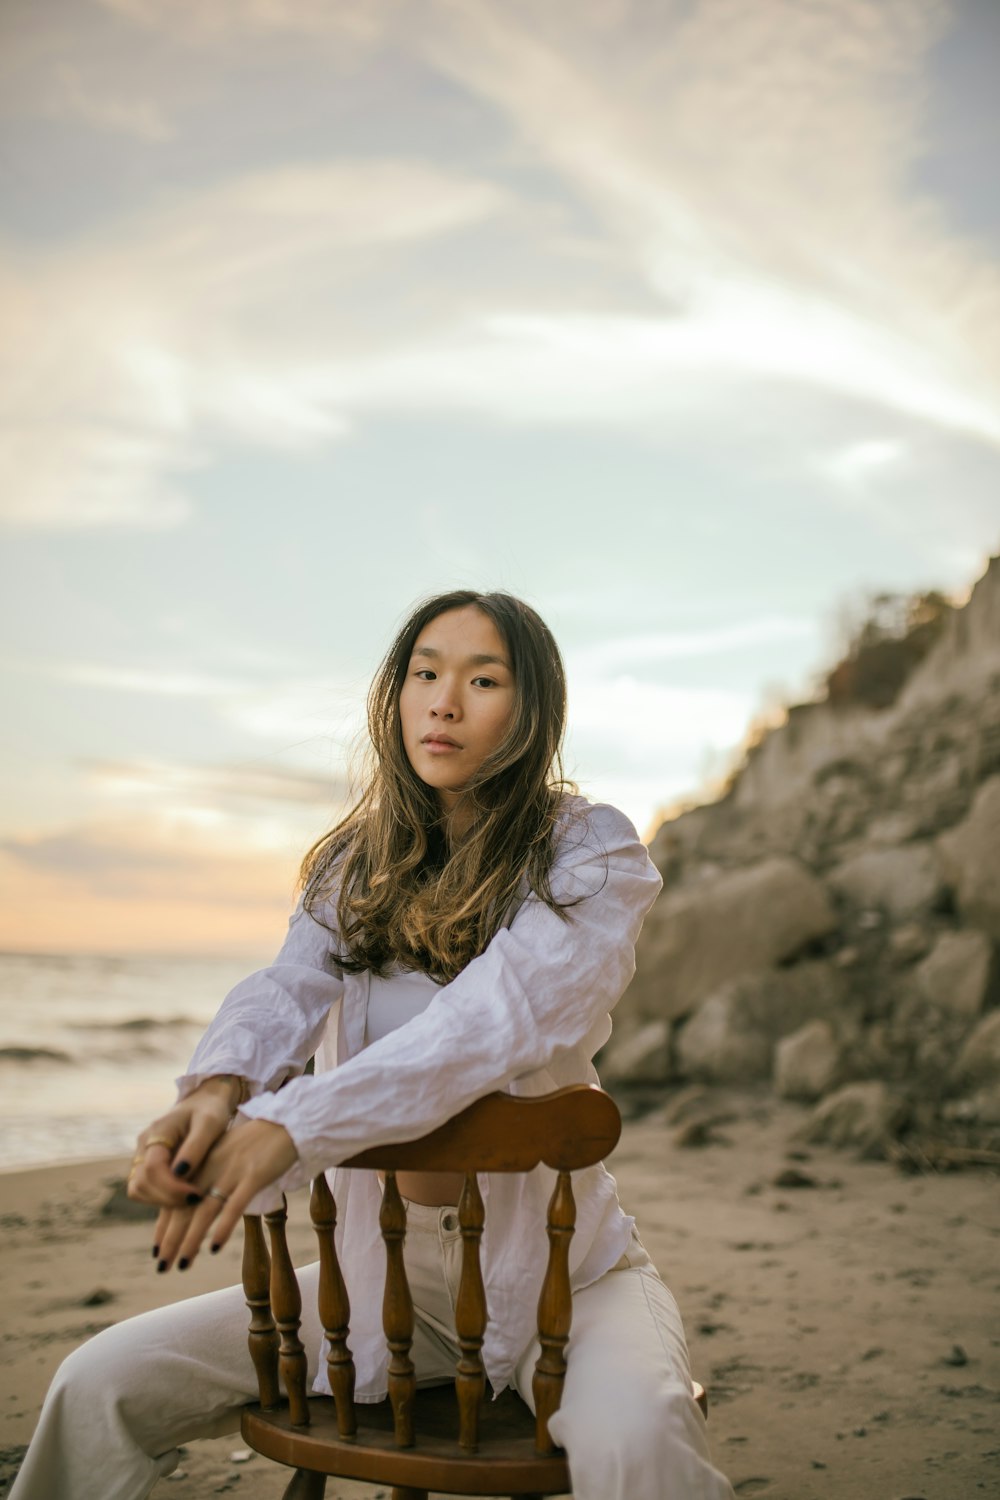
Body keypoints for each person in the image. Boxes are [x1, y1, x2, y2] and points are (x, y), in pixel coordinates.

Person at [12, 590, 735, 1500]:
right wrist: (216, 1090)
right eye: (425, 674)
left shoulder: (589, 853)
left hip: (566, 1289)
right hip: (374, 1283)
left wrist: (296, 1123)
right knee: (95, 1384)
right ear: (394, 695)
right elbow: (286, 988)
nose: (444, 702)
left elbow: (492, 1022)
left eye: (483, 679)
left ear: (533, 706)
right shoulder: (356, 863)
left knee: (641, 1438)